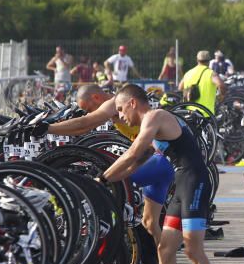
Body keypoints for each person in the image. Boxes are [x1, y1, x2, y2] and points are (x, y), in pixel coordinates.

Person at [102, 84, 228, 264]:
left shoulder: (155, 117)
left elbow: (132, 153)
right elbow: (134, 164)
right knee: (166, 250)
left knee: (193, 250)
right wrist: (105, 181)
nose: (120, 117)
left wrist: (102, 178)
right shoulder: (151, 123)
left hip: (194, 182)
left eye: (120, 109)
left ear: (132, 103)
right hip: (180, 185)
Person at [45, 84, 174, 243]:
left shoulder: (113, 104)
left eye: (88, 107)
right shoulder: (121, 102)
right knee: (149, 222)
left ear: (96, 98)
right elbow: (83, 127)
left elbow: (84, 124)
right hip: (152, 155)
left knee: (115, 183)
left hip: (158, 157)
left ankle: (109, 235)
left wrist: (48, 128)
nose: (89, 112)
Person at [178, 50, 227, 115]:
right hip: (205, 114)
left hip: (189, 113)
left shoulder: (188, 73)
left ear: (197, 60)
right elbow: (222, 86)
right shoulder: (211, 73)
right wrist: (221, 97)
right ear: (209, 61)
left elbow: (180, 88)